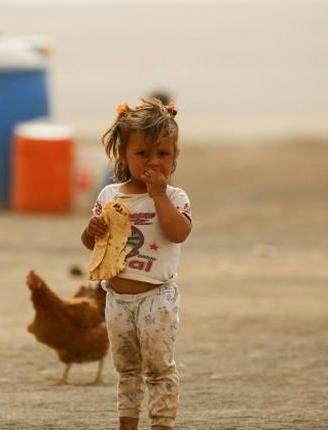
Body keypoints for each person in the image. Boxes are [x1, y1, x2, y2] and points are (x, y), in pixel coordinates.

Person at [81, 97, 192, 430]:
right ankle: (126, 424)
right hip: (117, 299)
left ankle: (162, 424)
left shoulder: (175, 197)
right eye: (142, 153)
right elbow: (92, 245)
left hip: (156, 298)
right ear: (123, 156)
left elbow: (179, 233)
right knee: (126, 368)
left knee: (158, 368)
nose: (153, 162)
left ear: (174, 158)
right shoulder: (110, 196)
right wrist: (92, 229)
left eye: (163, 154)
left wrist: (158, 196)